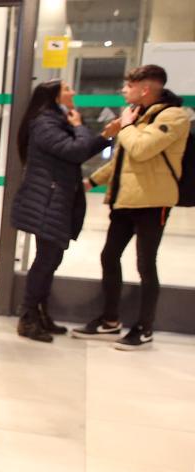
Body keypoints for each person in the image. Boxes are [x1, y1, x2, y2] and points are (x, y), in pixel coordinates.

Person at [72, 64, 188, 350]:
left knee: (145, 264)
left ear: (144, 89)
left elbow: (141, 149)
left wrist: (125, 125)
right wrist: (91, 182)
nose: (123, 90)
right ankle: (110, 320)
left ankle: (144, 328)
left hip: (153, 202)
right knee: (109, 256)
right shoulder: (138, 115)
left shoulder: (174, 116)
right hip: (125, 201)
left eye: (128, 86)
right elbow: (123, 161)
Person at [10, 80, 115, 342]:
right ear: (54, 95)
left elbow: (79, 150)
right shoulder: (45, 122)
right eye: (67, 89)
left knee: (51, 259)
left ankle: (40, 314)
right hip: (47, 199)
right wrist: (80, 127)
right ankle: (28, 317)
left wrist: (104, 136)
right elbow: (75, 151)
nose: (73, 92)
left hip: (55, 198)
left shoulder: (57, 118)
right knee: (46, 260)